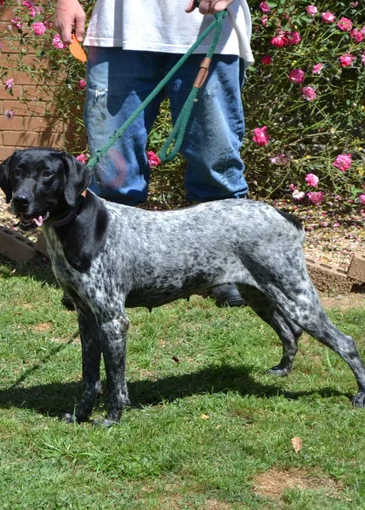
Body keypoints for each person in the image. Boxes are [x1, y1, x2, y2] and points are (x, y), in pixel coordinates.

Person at [55, 0, 253, 307]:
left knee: (215, 164)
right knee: (111, 174)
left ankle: (228, 271)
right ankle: (102, 272)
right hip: (117, 34)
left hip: (209, 26)